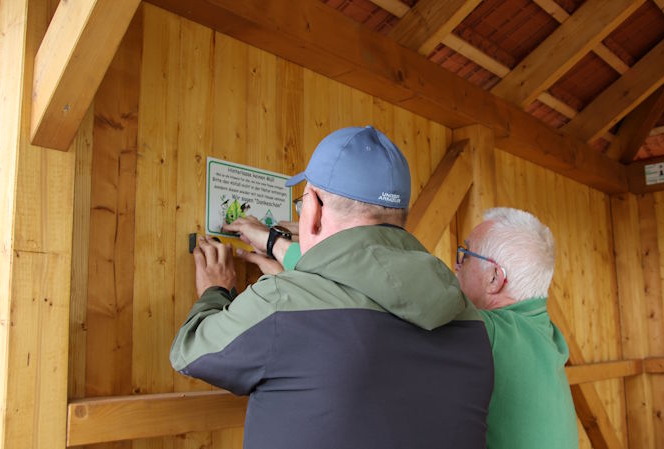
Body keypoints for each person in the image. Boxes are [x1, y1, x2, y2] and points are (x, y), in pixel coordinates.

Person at [170, 126, 494, 449]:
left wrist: (215, 289)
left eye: (301, 204)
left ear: (313, 209)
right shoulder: (470, 318)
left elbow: (190, 351)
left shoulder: (281, 302)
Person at [455, 207, 579, 449]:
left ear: (495, 278)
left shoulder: (487, 332)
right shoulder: (546, 333)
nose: (456, 264)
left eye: (466, 254)